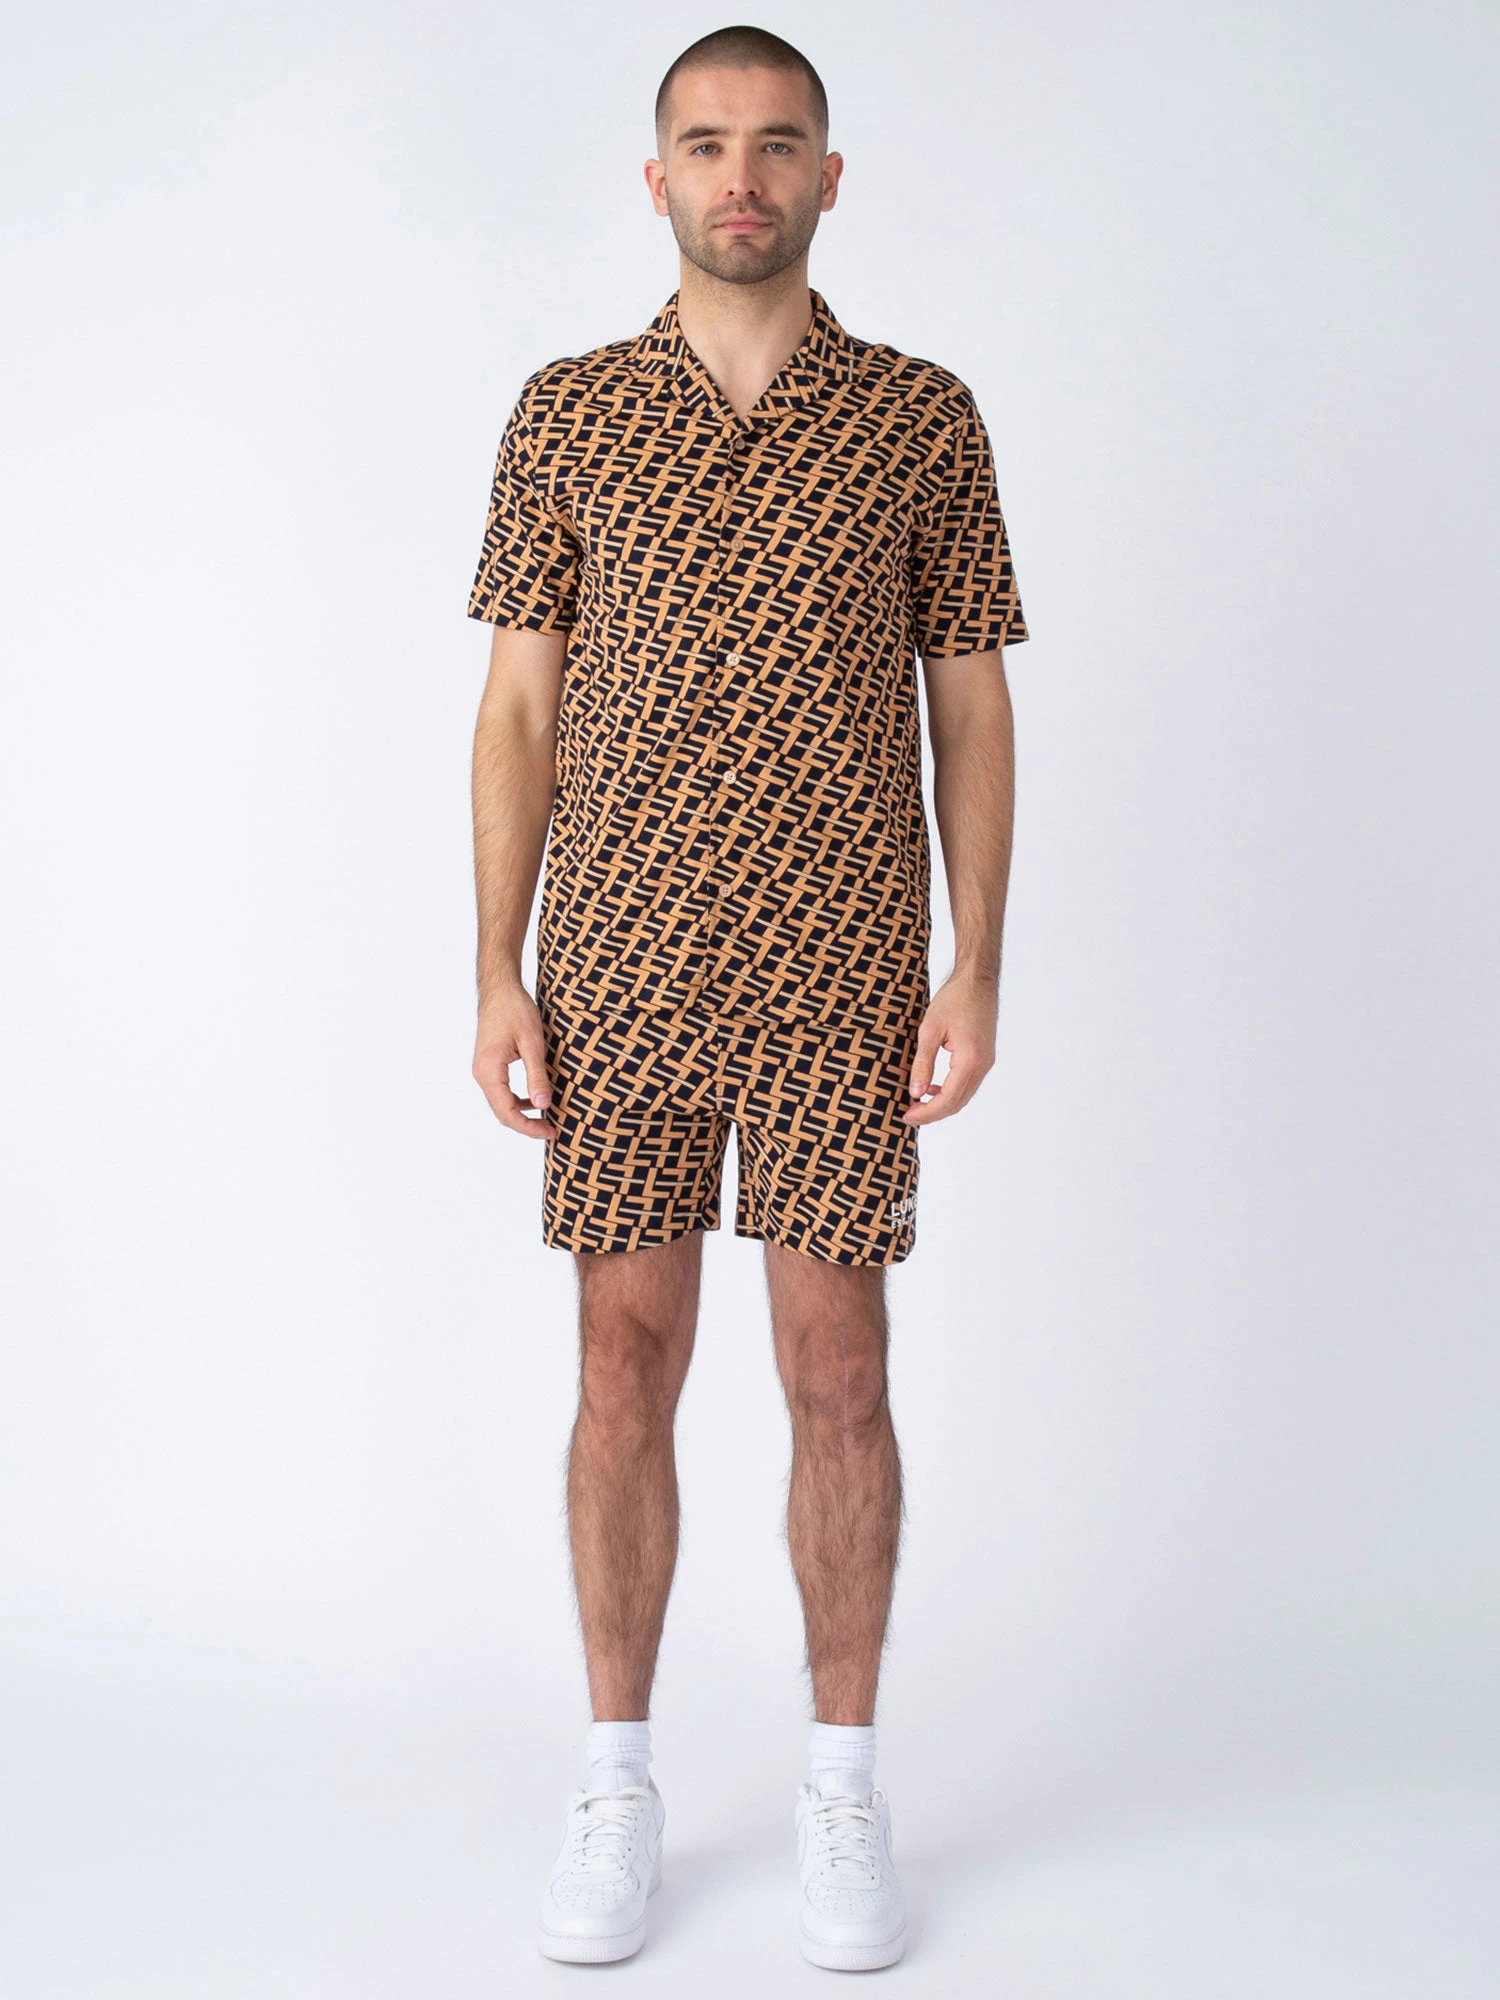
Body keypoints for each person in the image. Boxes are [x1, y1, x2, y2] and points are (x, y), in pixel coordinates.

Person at [464, 23, 1028, 1973]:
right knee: (622, 1364)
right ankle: (617, 1778)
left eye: (778, 143)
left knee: (837, 1369)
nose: (742, 176)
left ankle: (842, 1785)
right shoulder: (568, 413)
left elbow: (971, 704)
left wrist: (975, 959)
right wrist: (496, 966)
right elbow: (517, 707)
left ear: (828, 177)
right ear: (659, 180)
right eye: (706, 144)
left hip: (841, 970)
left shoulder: (922, 419)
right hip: (618, 963)